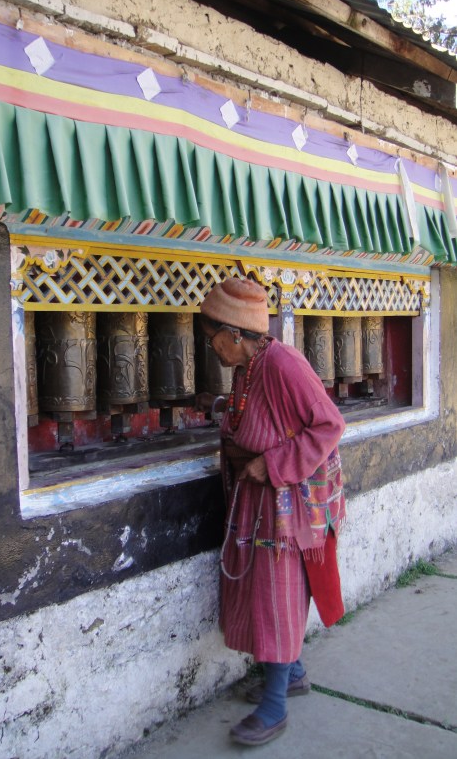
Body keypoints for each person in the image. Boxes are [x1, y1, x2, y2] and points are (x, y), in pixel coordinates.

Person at [198, 277, 346, 747]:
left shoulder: (283, 364)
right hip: (259, 497)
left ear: (234, 333)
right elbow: (258, 418)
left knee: (276, 595)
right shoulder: (246, 369)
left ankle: (275, 706)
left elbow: (329, 424)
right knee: (261, 590)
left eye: (212, 337)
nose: (211, 346)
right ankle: (292, 673)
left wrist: (273, 464)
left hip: (284, 501)